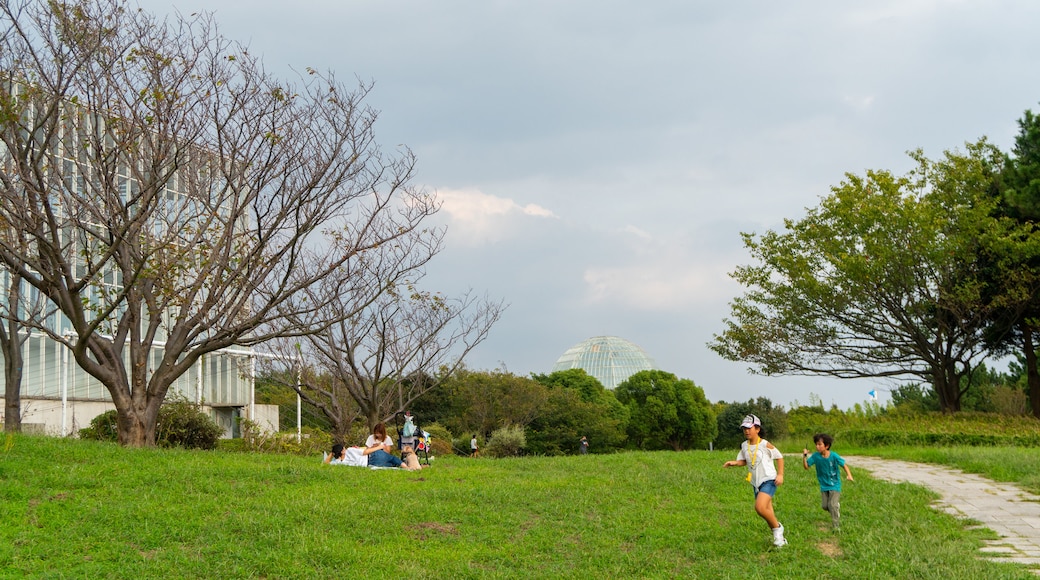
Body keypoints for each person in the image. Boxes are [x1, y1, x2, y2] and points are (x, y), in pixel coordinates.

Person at [723, 414, 787, 547]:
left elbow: (779, 457)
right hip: (756, 483)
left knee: (759, 507)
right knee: (767, 511)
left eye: (749, 428)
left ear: (757, 429)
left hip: (769, 480)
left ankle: (778, 528)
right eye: (744, 428)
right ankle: (779, 539)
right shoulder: (744, 446)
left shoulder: (764, 444)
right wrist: (734, 463)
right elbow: (744, 461)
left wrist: (780, 475)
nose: (746, 431)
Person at [803, 433, 853, 530]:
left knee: (832, 505)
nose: (817, 447)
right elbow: (806, 467)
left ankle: (836, 526)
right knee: (825, 506)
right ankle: (835, 508)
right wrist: (804, 456)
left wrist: (849, 475)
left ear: (827, 445)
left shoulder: (834, 456)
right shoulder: (815, 456)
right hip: (824, 485)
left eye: (819, 444)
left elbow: (844, 465)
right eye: (816, 444)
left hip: (835, 484)